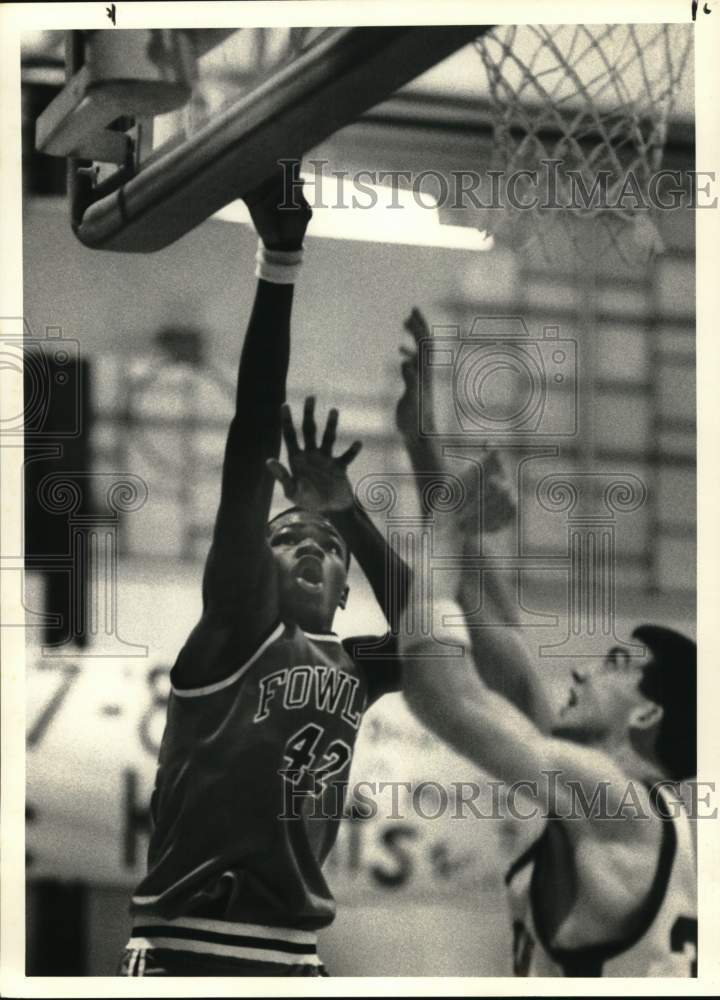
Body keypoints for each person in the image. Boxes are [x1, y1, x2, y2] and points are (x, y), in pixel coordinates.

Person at [119, 168, 407, 977]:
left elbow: (434, 635)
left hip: (294, 955)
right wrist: (279, 262)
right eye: (288, 535)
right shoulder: (237, 630)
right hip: (187, 947)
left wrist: (349, 509)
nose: (310, 544)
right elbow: (251, 442)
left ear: (347, 590)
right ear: (257, 564)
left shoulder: (357, 668)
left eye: (329, 547)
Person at [396, 308, 697, 977]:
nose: (584, 672)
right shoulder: (626, 808)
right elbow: (503, 645)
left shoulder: (613, 801)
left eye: (615, 665)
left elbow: (439, 691)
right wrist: (424, 448)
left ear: (647, 714)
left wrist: (443, 533)